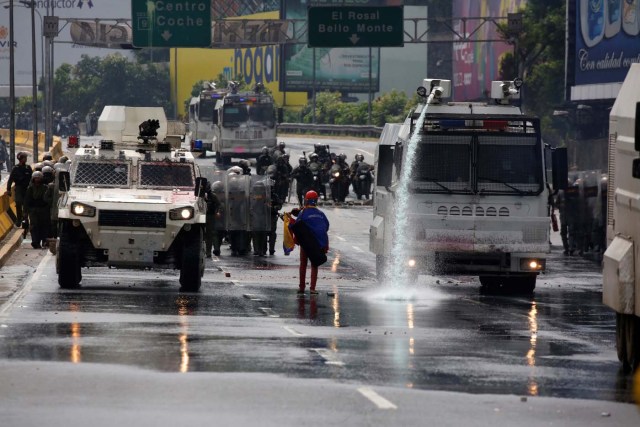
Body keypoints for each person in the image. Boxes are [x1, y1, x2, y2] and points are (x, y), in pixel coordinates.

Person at [289, 190, 330, 295]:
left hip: (305, 245)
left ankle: (302, 287)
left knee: (303, 264)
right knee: (314, 265)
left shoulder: (303, 213)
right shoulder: (321, 214)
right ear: (316, 200)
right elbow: (326, 227)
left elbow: (297, 225)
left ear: (306, 200)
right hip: (317, 245)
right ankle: (312, 288)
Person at [24, 171, 50, 249]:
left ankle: (44, 241)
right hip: (33, 210)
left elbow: (48, 200)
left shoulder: (46, 188)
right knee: (34, 226)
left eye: (39, 177)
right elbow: (26, 201)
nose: (37, 179)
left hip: (43, 210)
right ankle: (35, 242)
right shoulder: (30, 188)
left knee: (43, 226)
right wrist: (25, 212)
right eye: (36, 177)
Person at [7, 151, 33, 227]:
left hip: (27, 188)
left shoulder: (28, 168)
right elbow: (10, 179)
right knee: (18, 203)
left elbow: (32, 178)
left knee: (26, 204)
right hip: (19, 188)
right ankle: (19, 219)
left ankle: (25, 219)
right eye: (24, 158)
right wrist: (8, 189)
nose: (26, 159)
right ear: (20, 159)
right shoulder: (15, 168)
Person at [204, 181, 222, 258]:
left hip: (210, 216)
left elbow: (218, 205)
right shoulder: (200, 196)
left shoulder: (213, 196)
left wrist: (217, 212)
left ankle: (208, 252)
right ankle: (206, 251)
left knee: (210, 234)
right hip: (201, 216)